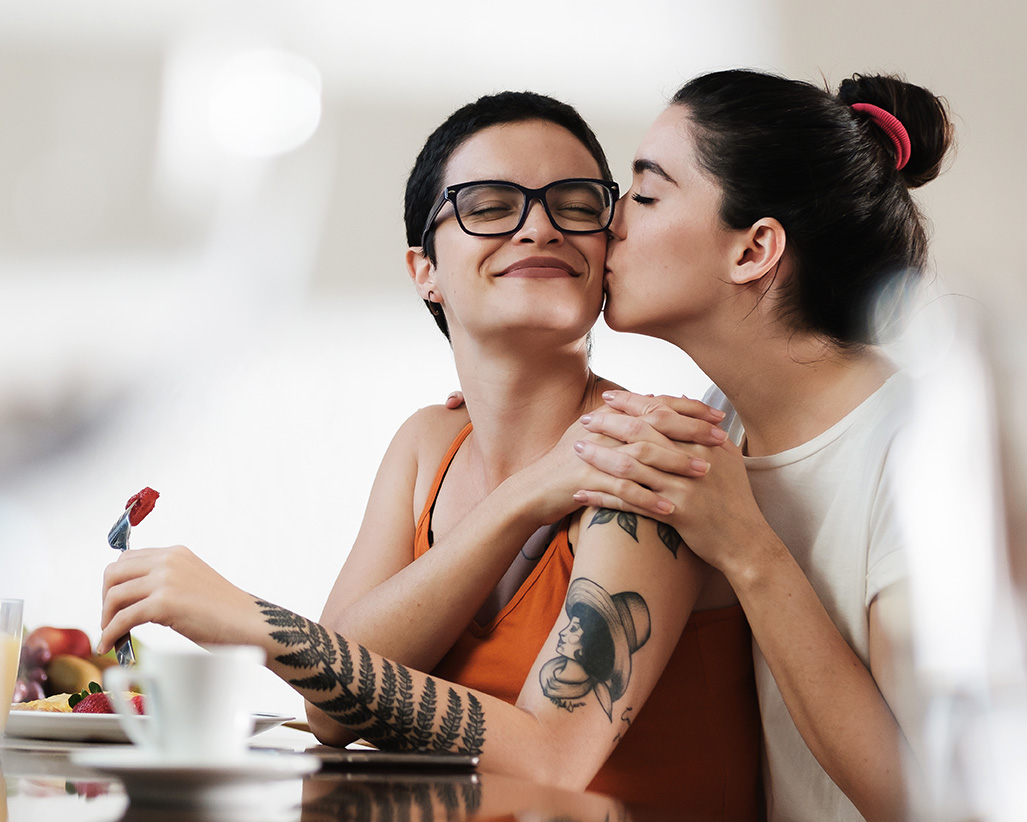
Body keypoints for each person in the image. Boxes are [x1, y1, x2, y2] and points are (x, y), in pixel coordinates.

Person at [97, 91, 760, 816]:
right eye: (487, 204)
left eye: (574, 203)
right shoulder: (426, 447)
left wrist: (251, 621)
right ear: (424, 270)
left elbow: (552, 758)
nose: (538, 227)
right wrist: (520, 500)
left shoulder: (645, 450)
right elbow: (332, 714)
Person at [565, 69, 953, 821]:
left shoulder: (916, 456)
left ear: (753, 251)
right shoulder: (722, 421)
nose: (610, 223)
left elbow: (929, 802)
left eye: (644, 196)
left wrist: (747, 548)